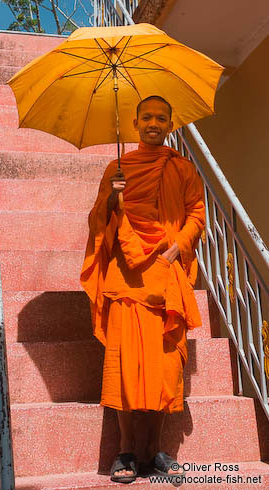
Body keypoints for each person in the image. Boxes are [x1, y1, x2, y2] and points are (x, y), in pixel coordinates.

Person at [80, 96, 205, 484]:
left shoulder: (182, 168)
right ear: (135, 124)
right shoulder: (117, 168)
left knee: (165, 372)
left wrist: (174, 249)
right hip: (126, 280)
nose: (154, 122)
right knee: (125, 371)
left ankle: (155, 453)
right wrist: (111, 199)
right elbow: (98, 222)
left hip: (166, 277)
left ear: (170, 125)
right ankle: (126, 452)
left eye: (161, 118)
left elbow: (197, 215)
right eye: (147, 117)